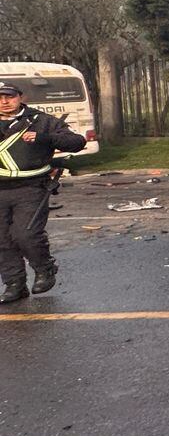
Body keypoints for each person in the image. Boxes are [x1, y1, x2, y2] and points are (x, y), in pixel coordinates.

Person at [0, 80, 87, 303]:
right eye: (0, 98)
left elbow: (76, 142)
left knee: (25, 234)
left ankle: (45, 269)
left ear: (20, 97)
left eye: (9, 96)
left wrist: (44, 138)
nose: (4, 101)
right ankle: (14, 284)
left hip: (30, 188)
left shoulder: (40, 121)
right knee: (2, 240)